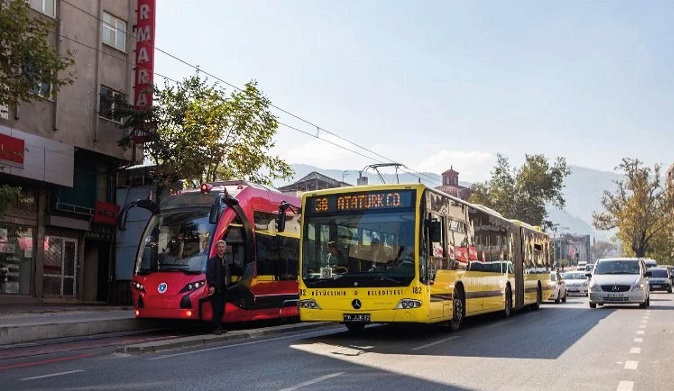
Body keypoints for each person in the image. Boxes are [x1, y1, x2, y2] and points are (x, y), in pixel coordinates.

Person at [206, 239, 235, 335]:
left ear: (225, 248)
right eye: (219, 247)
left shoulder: (225, 260)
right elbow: (210, 274)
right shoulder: (213, 260)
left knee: (222, 309)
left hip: (224, 288)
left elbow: (227, 273)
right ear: (216, 248)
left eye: (223, 247)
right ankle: (215, 327)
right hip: (216, 288)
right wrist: (212, 285)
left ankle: (219, 326)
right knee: (216, 309)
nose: (221, 249)